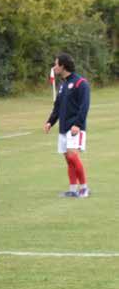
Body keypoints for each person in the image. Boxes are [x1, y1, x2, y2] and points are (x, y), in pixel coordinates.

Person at [44, 53, 90, 198]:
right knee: (68, 159)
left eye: (56, 64)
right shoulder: (63, 85)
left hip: (75, 128)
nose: (54, 67)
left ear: (63, 66)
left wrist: (78, 124)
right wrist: (50, 122)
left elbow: (84, 106)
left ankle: (84, 188)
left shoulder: (81, 83)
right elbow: (57, 107)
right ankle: (73, 189)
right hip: (63, 128)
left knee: (72, 156)